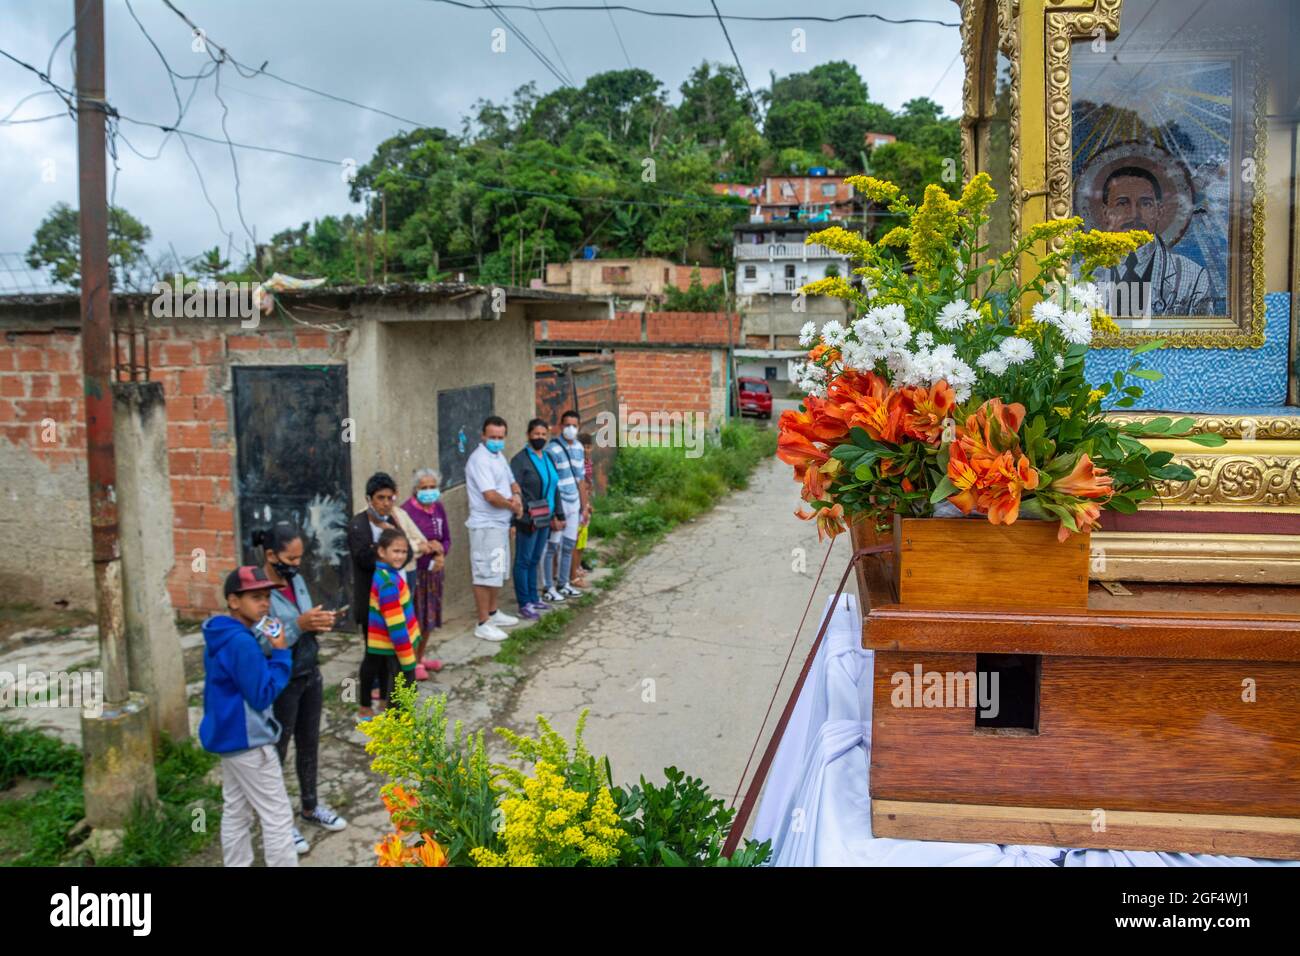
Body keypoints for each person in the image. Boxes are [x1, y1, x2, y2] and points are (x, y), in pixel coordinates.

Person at [254, 522, 348, 857]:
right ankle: (279, 824)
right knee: (276, 751)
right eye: (290, 558)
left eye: (299, 558)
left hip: (310, 673)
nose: (296, 565)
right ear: (270, 555)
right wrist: (299, 625)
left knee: (309, 743)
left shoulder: (295, 580)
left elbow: (301, 620)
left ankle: (310, 807)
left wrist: (319, 623)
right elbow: (263, 641)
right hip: (281, 682)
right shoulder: (258, 592)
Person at [199, 565, 297, 868]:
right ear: (233, 601)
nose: (265, 603)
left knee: (236, 811)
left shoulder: (222, 634)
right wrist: (280, 653)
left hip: (228, 737)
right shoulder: (242, 643)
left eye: (267, 596)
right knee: (278, 816)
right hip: (250, 740)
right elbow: (262, 694)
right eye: (255, 597)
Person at [348, 472, 426, 705]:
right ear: (369, 498)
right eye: (380, 498)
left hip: (395, 600)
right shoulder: (358, 524)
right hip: (371, 602)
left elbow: (408, 552)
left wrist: (395, 536)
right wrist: (382, 547)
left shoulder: (394, 520)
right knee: (373, 656)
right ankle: (366, 700)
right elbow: (363, 558)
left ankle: (384, 697)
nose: (385, 503)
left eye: (390, 498)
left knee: (390, 659)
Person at [1095, 165, 1213, 316]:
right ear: (1105, 213)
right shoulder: (1079, 276)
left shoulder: (1194, 278)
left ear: (1159, 211)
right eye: (1122, 203)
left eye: (1145, 204)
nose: (1134, 214)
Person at [465, 415, 523, 641]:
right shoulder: (479, 460)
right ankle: (482, 622)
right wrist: (513, 507)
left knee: (497, 571)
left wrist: (516, 496)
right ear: (483, 436)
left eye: (500, 437)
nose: (496, 441)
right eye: (492, 437)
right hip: (485, 526)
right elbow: (489, 495)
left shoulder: (499, 457)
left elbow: (511, 482)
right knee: (484, 572)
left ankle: (493, 612)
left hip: (500, 525)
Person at [359, 528, 420, 719]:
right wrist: (407, 657)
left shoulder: (387, 575)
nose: (400, 556)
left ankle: (394, 726)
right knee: (401, 694)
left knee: (396, 689)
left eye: (403, 552)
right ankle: (396, 736)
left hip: (395, 647)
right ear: (382, 552)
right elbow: (396, 624)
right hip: (399, 647)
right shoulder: (388, 583)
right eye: (396, 551)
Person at [511, 418, 565, 620]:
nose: (539, 438)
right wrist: (519, 517)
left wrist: (559, 513)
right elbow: (514, 489)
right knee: (523, 560)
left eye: (543, 435)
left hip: (546, 516)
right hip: (528, 518)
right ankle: (524, 602)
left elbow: (554, 487)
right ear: (528, 435)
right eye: (536, 435)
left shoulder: (548, 458)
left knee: (535, 559)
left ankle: (534, 597)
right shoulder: (520, 460)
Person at [400, 468, 451, 680]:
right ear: (415, 490)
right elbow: (404, 546)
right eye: (424, 488)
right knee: (416, 618)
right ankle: (410, 661)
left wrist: (441, 553)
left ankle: (421, 657)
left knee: (430, 618)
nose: (429, 491)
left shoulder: (438, 508)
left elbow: (446, 537)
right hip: (417, 572)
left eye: (432, 487)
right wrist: (428, 555)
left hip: (435, 573)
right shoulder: (407, 512)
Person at [541, 410, 589, 603]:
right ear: (560, 426)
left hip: (574, 502)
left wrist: (584, 506)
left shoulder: (578, 447)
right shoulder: (552, 450)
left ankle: (564, 583)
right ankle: (548, 586)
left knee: (569, 545)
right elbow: (551, 482)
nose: (570, 429)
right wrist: (553, 511)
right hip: (559, 504)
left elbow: (581, 479)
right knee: (551, 546)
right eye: (567, 425)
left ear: (579, 427)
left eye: (574, 425)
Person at [571, 431, 595, 588]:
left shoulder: (589, 462)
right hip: (579, 504)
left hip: (585, 504)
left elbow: (589, 485)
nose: (586, 450)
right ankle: (573, 570)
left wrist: (589, 503)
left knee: (582, 540)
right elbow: (581, 484)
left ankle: (578, 567)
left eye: (588, 447)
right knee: (576, 539)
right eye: (583, 447)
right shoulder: (577, 464)